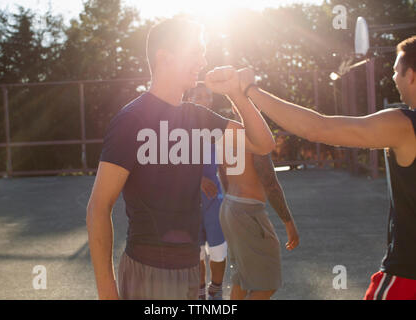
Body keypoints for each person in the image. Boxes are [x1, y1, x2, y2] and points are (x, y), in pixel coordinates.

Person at [86, 18, 275, 300]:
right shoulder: (132, 120)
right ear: (164, 57)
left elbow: (262, 143)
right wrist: (107, 293)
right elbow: (99, 206)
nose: (203, 60)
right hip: (148, 270)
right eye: (195, 51)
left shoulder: (198, 117)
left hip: (189, 270)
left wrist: (237, 92)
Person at [234, 35, 416, 300]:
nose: (394, 77)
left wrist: (250, 89)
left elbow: (318, 128)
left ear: (411, 75)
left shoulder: (405, 125)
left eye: (397, 71)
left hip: (408, 278)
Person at [217, 105, 299, 300]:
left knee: (241, 280)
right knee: (266, 285)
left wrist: (233, 205)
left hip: (229, 207)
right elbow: (270, 183)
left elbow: (223, 173)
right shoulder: (256, 136)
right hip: (247, 211)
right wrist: (289, 223)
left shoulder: (226, 134)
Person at [187, 83, 227, 300]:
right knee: (197, 252)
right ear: (191, 98)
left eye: (208, 96)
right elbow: (169, 166)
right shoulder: (179, 127)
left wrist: (231, 196)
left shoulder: (216, 126)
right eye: (200, 96)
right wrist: (197, 178)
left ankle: (216, 292)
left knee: (219, 250)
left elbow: (226, 165)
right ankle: (201, 292)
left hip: (214, 199)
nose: (205, 100)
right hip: (189, 201)